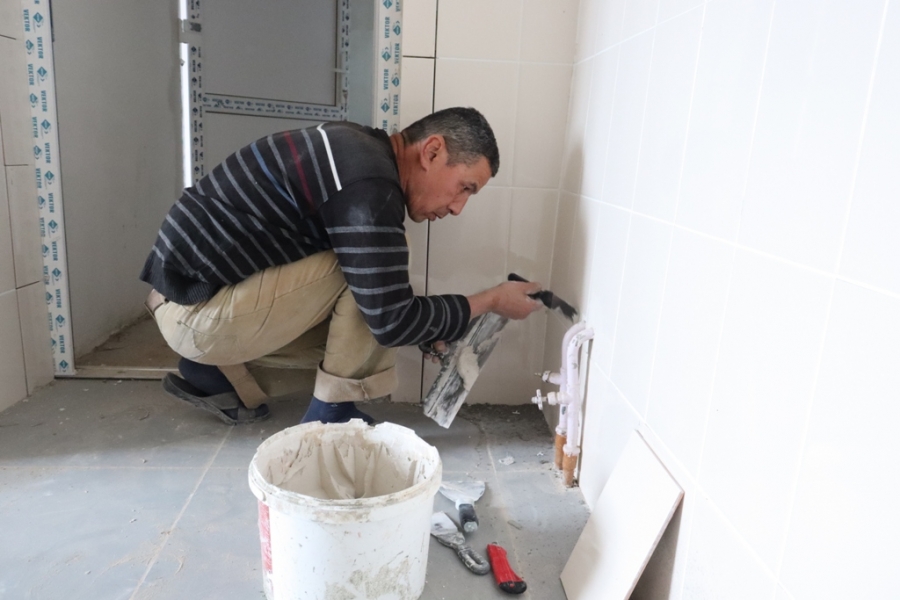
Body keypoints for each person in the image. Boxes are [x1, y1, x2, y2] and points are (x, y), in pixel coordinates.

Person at [140, 107, 543, 425]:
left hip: (188, 301)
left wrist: (429, 329)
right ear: (432, 151)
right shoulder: (369, 184)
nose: (458, 208)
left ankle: (213, 373)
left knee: (371, 288)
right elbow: (391, 320)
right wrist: (491, 301)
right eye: (464, 188)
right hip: (197, 314)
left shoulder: (357, 149)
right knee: (377, 274)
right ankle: (330, 417)